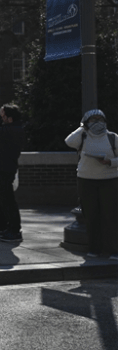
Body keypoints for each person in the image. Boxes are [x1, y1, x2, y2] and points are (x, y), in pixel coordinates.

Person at [65, 109, 118, 260]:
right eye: (93, 120)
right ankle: (95, 248)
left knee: (111, 215)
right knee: (91, 216)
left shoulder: (113, 138)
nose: (97, 123)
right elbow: (69, 141)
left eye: (100, 119)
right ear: (86, 122)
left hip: (109, 180)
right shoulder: (82, 136)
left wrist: (110, 162)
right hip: (86, 180)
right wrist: (82, 127)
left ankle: (113, 249)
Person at [0, 104, 26, 242]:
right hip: (2, 168)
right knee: (5, 201)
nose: (1, 119)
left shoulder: (12, 129)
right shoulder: (13, 128)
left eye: (3, 117)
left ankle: (14, 230)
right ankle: (11, 228)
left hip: (4, 169)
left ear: (10, 119)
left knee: (8, 201)